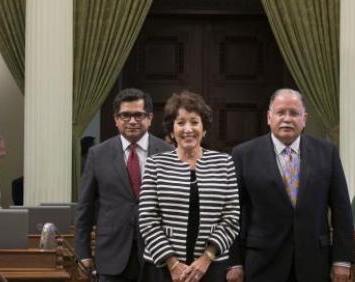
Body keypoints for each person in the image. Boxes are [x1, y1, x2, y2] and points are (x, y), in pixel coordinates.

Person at [227, 89, 355, 282]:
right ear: (269, 117)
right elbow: (232, 212)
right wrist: (234, 262)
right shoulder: (243, 154)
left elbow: (342, 208)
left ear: (304, 119)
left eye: (294, 113)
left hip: (314, 263)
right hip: (262, 263)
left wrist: (342, 260)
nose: (287, 119)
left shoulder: (326, 152)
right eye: (280, 112)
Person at [138, 91, 240, 282]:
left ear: (204, 128)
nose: (188, 129)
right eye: (181, 122)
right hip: (162, 267)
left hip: (211, 266)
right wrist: (173, 264)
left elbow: (231, 217)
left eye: (194, 122)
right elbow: (147, 219)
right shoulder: (155, 164)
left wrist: (206, 258)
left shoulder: (224, 163)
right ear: (171, 129)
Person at [75, 88, 173, 282]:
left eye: (138, 115)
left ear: (150, 118)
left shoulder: (168, 153)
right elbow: (84, 208)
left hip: (159, 255)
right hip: (111, 255)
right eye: (125, 115)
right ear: (116, 119)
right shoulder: (97, 154)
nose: (132, 121)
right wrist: (83, 254)